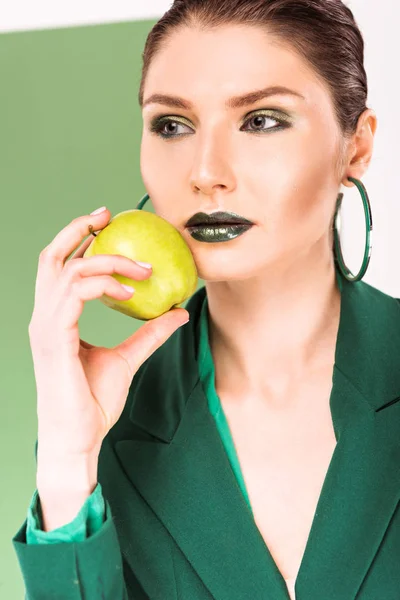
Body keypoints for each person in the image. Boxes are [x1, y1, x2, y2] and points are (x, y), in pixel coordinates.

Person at [11, 0, 400, 599]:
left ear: (356, 147)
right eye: (172, 125)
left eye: (262, 120)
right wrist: (67, 463)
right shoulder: (103, 429)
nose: (205, 172)